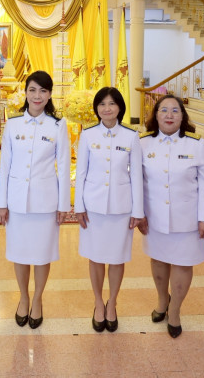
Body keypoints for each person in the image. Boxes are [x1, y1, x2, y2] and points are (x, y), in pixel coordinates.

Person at [0, 71, 70, 330]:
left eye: (43, 91)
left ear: (49, 95)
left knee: (41, 253)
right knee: (19, 252)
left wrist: (64, 205)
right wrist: (1, 202)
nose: (37, 96)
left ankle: (37, 298)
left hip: (45, 201)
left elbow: (63, 166)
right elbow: (5, 165)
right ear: (25, 93)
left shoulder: (58, 125)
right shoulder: (13, 124)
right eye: (33, 90)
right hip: (17, 201)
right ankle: (24, 297)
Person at [140, 94, 204, 338]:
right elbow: (137, 181)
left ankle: (175, 309)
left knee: (183, 263)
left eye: (175, 110)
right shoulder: (144, 143)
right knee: (158, 259)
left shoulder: (196, 144)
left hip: (187, 219)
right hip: (154, 217)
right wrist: (139, 213)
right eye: (164, 110)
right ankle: (163, 300)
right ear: (156, 115)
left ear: (183, 116)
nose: (169, 115)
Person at [74, 87, 144, 333]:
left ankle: (112, 302)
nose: (107, 108)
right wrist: (78, 206)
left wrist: (138, 210)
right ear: (97, 108)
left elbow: (136, 175)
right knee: (95, 257)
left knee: (116, 258)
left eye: (112, 104)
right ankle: (98, 302)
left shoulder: (131, 136)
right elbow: (81, 172)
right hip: (93, 207)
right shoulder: (88, 135)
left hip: (121, 207)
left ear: (120, 108)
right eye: (102, 104)